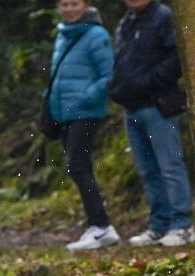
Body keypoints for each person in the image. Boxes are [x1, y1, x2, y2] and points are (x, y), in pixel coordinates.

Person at [108, 0, 195, 246]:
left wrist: (147, 82)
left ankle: (183, 225)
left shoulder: (163, 17)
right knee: (148, 171)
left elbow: (177, 58)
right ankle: (159, 225)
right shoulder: (127, 22)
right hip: (131, 107)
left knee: (170, 165)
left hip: (158, 105)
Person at [49, 0, 119, 251]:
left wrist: (84, 99)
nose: (69, 9)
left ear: (85, 5)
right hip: (66, 113)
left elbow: (108, 75)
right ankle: (97, 224)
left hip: (86, 112)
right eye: (65, 4)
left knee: (78, 165)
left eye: (74, 3)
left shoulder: (96, 35)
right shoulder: (63, 34)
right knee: (78, 166)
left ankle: (101, 226)